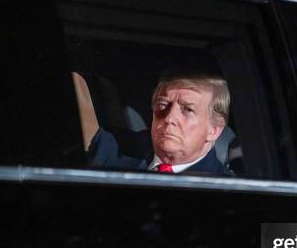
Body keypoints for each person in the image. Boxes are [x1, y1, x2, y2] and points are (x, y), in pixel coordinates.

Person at [88, 72, 231, 175]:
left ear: (214, 130)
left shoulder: (225, 188)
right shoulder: (110, 146)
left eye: (187, 109)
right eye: (163, 104)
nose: (169, 118)